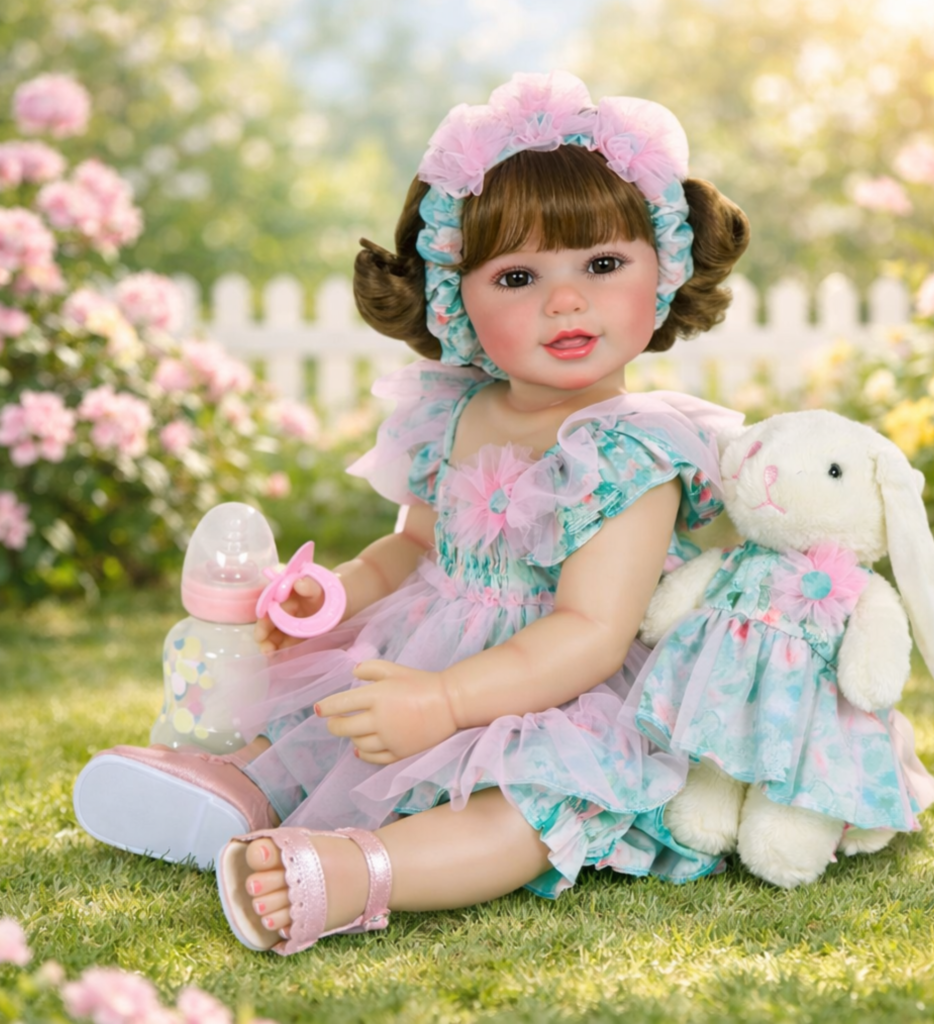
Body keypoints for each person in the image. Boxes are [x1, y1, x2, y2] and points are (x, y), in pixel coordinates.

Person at [73, 71, 750, 955]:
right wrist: (342, 592)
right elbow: (416, 547)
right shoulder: (456, 410)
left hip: (553, 691)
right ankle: (241, 790)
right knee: (331, 721)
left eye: (602, 264)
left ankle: (360, 871)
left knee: (526, 807)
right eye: (518, 276)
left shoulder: (630, 451)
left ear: (664, 266)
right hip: (427, 657)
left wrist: (449, 700)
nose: (565, 300)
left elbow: (591, 631)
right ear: (452, 298)